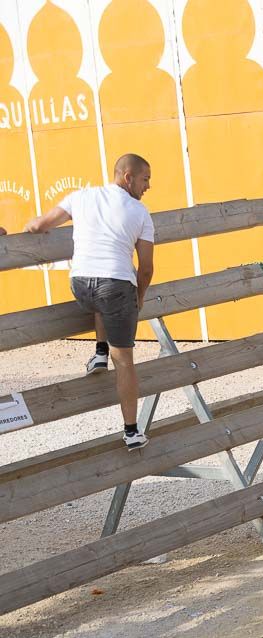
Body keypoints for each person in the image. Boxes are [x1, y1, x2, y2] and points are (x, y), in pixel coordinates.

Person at [23, 154, 154, 450]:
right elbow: (146, 268)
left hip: (80, 285)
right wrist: (140, 296)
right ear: (128, 177)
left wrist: (24, 228)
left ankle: (98, 352)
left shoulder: (81, 197)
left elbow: (38, 225)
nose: (148, 186)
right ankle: (132, 432)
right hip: (114, 288)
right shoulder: (140, 212)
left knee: (102, 297)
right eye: (145, 179)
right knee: (126, 361)